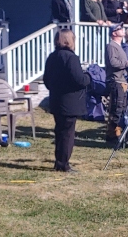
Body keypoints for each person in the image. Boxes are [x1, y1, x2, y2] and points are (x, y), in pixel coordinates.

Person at [44, 28, 91, 172]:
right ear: (70, 41)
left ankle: (59, 161)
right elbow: (79, 79)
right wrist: (88, 76)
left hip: (57, 100)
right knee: (67, 134)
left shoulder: (52, 57)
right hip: (69, 102)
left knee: (60, 131)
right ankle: (63, 164)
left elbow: (46, 80)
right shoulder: (71, 58)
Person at [104, 24, 128, 141]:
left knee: (122, 109)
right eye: (119, 29)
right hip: (116, 81)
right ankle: (111, 135)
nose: (122, 30)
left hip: (122, 81)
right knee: (117, 108)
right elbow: (113, 62)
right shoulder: (111, 46)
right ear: (114, 33)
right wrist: (127, 63)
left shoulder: (120, 46)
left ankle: (119, 133)